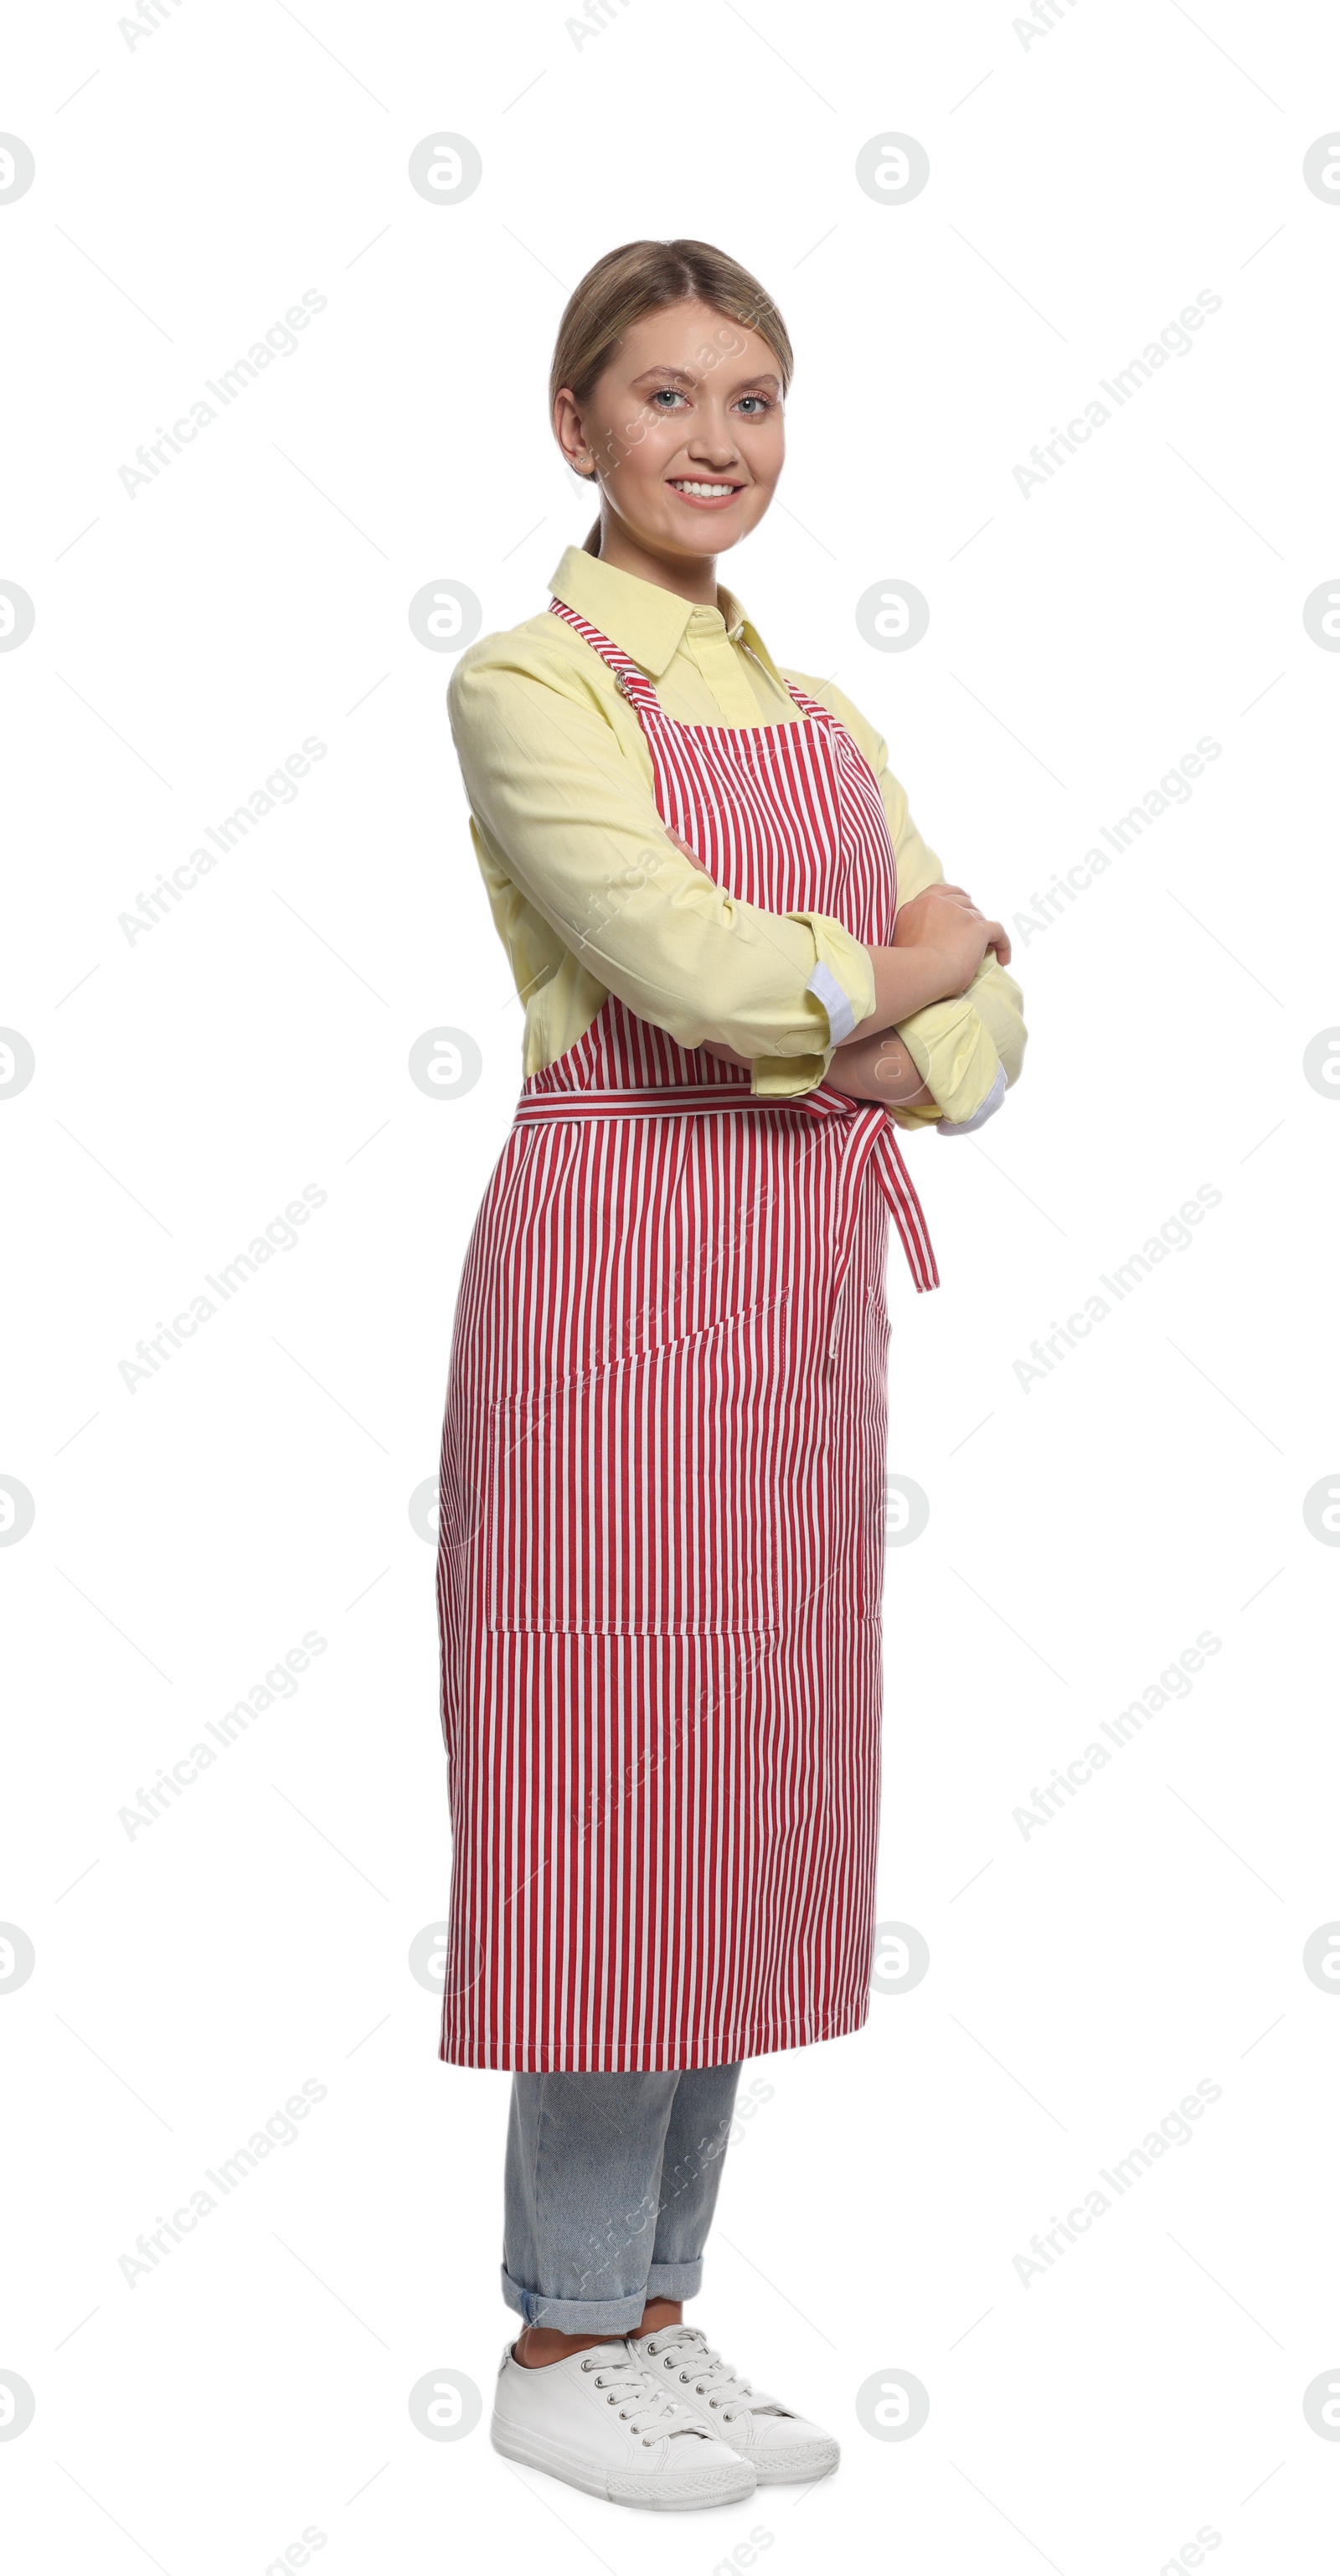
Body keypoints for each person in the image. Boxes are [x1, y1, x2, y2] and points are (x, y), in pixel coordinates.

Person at [436, 237, 1026, 2513]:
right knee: (610, 1780)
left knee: (742, 1767)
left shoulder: (822, 713)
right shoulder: (526, 683)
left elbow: (984, 1034)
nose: (715, 440)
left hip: (790, 1298)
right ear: (572, 422)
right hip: (609, 1282)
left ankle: (660, 2302)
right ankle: (562, 2317)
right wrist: (906, 972)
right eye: (666, 396)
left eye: (755, 399)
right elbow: (676, 961)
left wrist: (904, 1000)